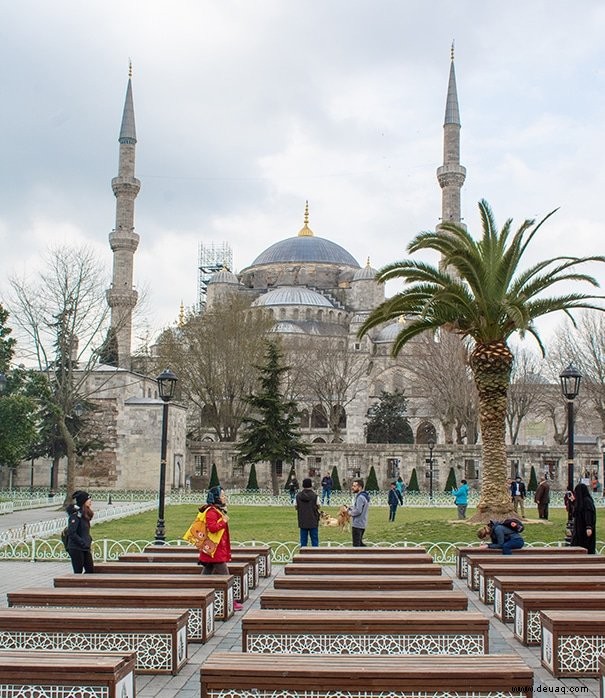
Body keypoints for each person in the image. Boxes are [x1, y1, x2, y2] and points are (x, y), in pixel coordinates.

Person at [197, 485, 243, 610]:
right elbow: (212, 528)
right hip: (215, 551)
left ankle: (196, 595)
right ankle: (231, 602)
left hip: (213, 550)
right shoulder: (211, 511)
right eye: (222, 496)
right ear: (216, 498)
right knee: (226, 578)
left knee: (206, 574)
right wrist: (224, 521)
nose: (225, 497)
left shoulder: (215, 510)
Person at [66, 490, 95, 574]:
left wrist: (88, 540)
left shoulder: (84, 515)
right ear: (83, 501)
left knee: (90, 570)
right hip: (76, 548)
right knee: (78, 572)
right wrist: (82, 542)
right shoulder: (75, 516)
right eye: (88, 500)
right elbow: (72, 533)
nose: (90, 502)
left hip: (85, 547)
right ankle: (76, 587)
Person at [570, 482, 597, 554]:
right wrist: (574, 502)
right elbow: (577, 512)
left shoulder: (587, 501)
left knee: (585, 546)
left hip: (584, 529)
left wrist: (589, 527)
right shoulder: (581, 501)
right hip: (579, 529)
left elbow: (589, 514)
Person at [295, 478, 320, 547]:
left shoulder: (298, 496)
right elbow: (318, 506)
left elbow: (296, 507)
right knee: (315, 541)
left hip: (302, 520)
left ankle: (303, 556)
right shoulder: (315, 496)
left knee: (303, 541)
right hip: (313, 520)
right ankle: (315, 555)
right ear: (311, 485)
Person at [348, 478, 370, 547]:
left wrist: (349, 512)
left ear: (360, 487)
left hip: (357, 523)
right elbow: (359, 507)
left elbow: (358, 510)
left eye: (354, 486)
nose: (352, 488)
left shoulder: (360, 497)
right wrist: (351, 508)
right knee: (360, 544)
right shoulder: (365, 496)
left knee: (356, 545)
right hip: (362, 523)